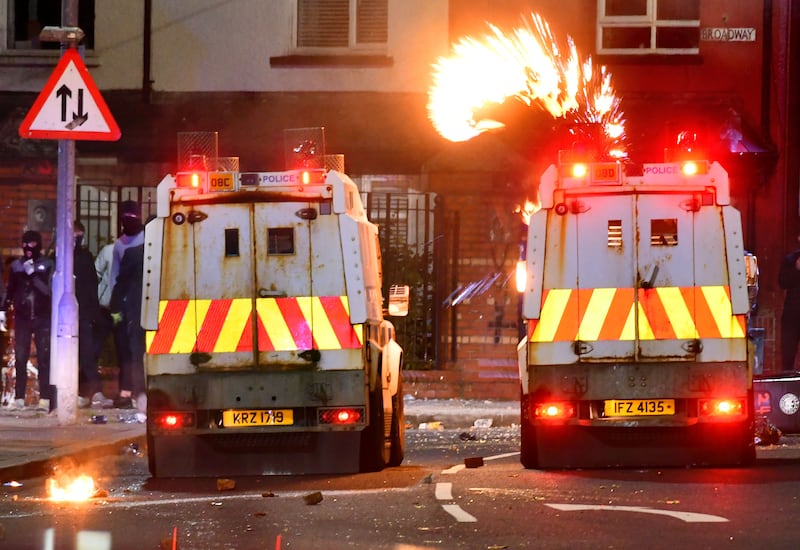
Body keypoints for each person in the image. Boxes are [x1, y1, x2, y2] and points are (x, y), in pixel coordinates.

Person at [0, 231, 55, 411]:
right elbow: (10, 290)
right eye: (25, 244)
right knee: (21, 358)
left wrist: (33, 275)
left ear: (38, 244)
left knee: (44, 358)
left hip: (42, 318)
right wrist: (3, 309)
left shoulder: (47, 265)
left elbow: (49, 291)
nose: (28, 248)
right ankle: (19, 397)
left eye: (31, 244)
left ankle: (45, 398)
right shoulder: (17, 266)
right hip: (23, 318)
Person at [73, 222, 113, 409]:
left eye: (80, 235)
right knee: (73, 356)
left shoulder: (85, 257)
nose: (77, 238)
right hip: (67, 315)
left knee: (88, 354)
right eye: (75, 235)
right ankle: (74, 393)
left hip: (84, 314)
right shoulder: (59, 257)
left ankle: (93, 392)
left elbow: (91, 286)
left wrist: (93, 312)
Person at [110, 200, 145, 408]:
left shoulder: (145, 241)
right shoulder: (120, 245)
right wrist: (115, 307)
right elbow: (116, 278)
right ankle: (128, 391)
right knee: (126, 351)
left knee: (137, 350)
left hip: (139, 304)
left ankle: (138, 391)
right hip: (126, 306)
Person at [779, 233, 800, 371]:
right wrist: (796, 270)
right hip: (792, 316)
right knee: (788, 356)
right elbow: (782, 282)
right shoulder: (791, 260)